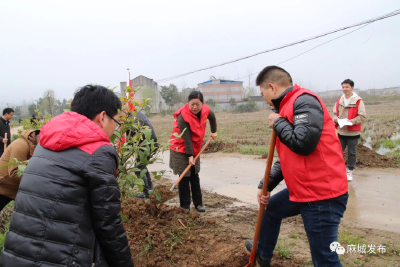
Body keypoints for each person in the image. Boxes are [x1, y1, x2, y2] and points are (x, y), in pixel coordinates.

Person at [0, 85, 134, 267]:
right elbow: (108, 224)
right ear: (102, 117)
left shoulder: (45, 142)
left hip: (14, 254)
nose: (114, 130)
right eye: (115, 122)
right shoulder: (98, 151)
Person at [244, 66, 348, 267]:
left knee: (324, 259)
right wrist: (265, 185)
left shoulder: (304, 101)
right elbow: (287, 158)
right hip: (303, 189)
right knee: (271, 209)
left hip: (322, 194)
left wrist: (278, 123)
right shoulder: (285, 108)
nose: (264, 98)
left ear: (272, 87)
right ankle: (262, 254)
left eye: (262, 93)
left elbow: (303, 144)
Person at [169, 91, 217, 212]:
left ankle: (198, 204)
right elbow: (186, 137)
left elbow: (212, 117)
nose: (195, 107)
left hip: (195, 147)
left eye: (197, 104)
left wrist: (214, 131)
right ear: (188, 103)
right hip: (180, 148)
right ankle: (185, 206)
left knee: (194, 175)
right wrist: (190, 156)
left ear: (202, 103)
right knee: (185, 176)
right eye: (192, 104)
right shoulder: (182, 115)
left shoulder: (205, 110)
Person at [333, 79, 366, 181]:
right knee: (337, 152)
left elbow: (362, 116)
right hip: (341, 131)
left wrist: (351, 121)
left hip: (353, 132)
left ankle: (350, 171)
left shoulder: (358, 101)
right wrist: (336, 119)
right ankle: (339, 171)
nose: (344, 89)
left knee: (352, 153)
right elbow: (334, 113)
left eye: (347, 87)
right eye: (343, 87)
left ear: (352, 87)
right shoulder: (340, 100)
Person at [0, 129, 40, 212]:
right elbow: (15, 173)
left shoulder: (32, 145)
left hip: (13, 188)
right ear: (32, 136)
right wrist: (36, 183)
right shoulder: (20, 145)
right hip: (4, 186)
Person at [129, 111, 158, 198]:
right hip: (151, 144)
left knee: (138, 169)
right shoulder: (137, 114)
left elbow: (131, 138)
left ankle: (146, 192)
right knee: (142, 167)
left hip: (146, 146)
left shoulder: (131, 121)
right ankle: (149, 188)